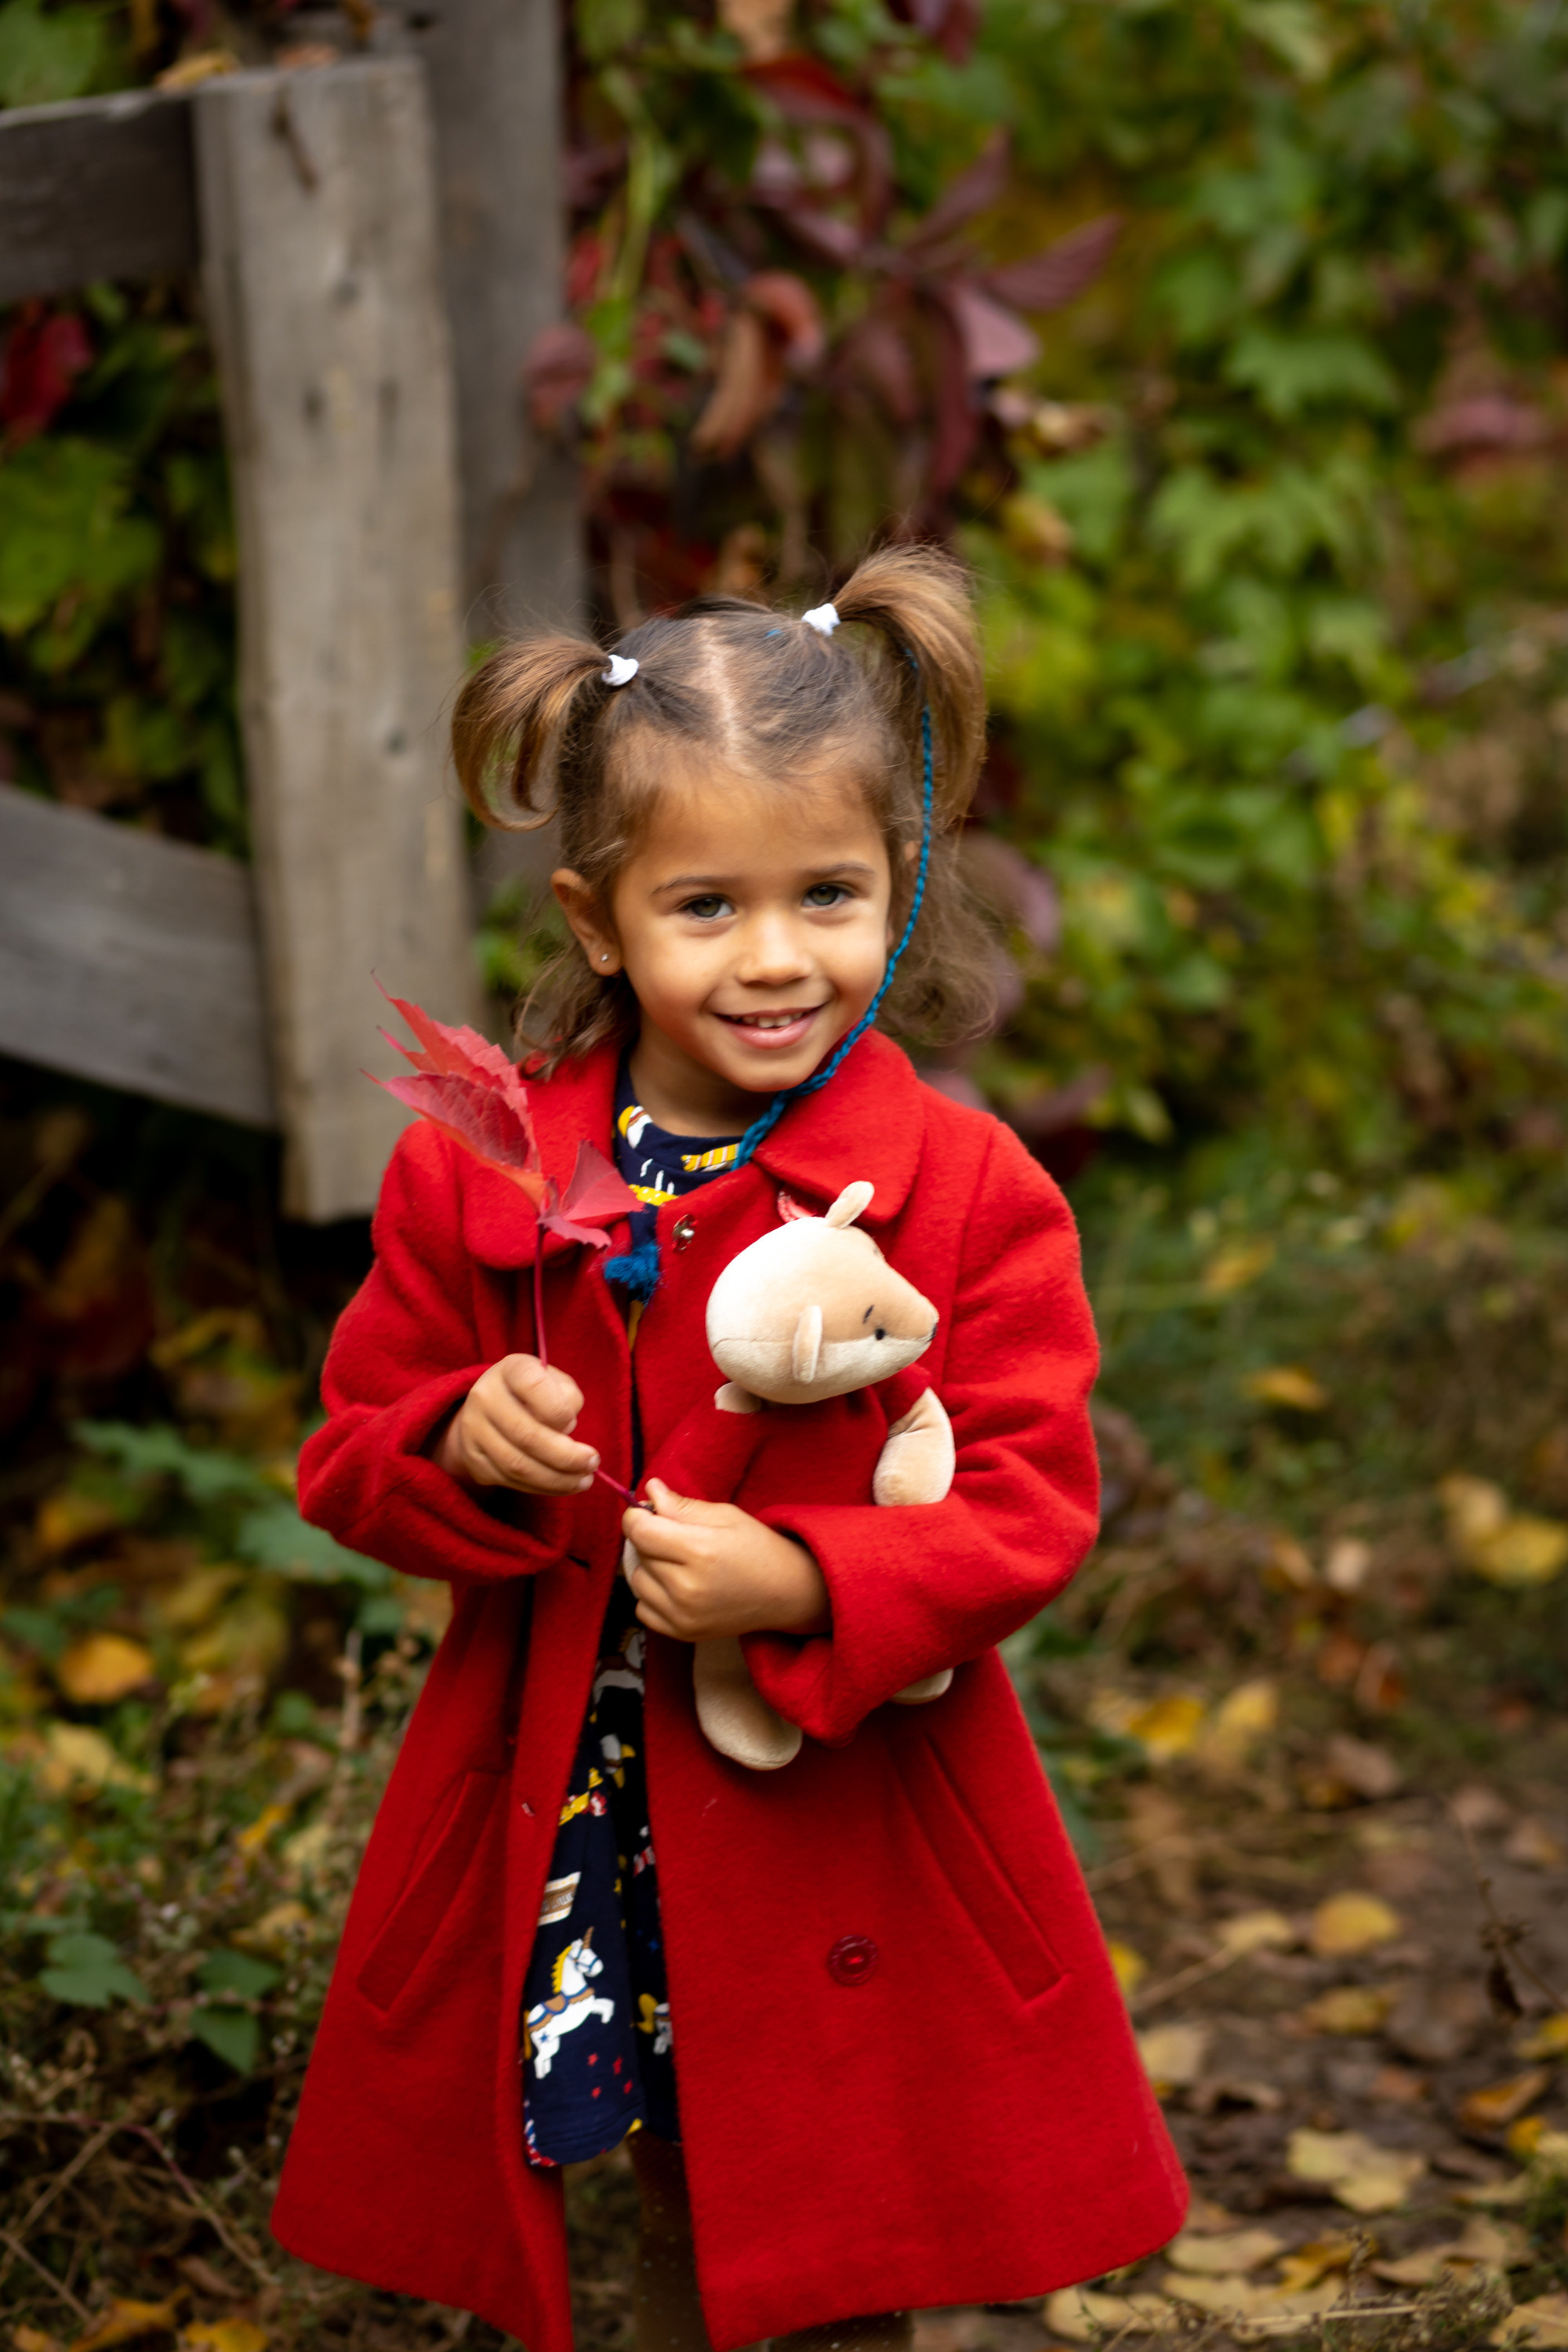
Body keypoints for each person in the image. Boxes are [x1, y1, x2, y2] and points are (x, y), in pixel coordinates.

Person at [271, 545, 1186, 2352]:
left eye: (828, 894)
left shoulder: (968, 1197)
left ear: (897, 887)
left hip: (829, 1815)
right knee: (599, 2180)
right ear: (598, 918)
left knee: (819, 2193)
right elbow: (347, 1457)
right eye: (706, 908)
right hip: (566, 1789)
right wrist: (462, 1436)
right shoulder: (485, 1175)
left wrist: (808, 1575)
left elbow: (1026, 1507)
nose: (777, 958)